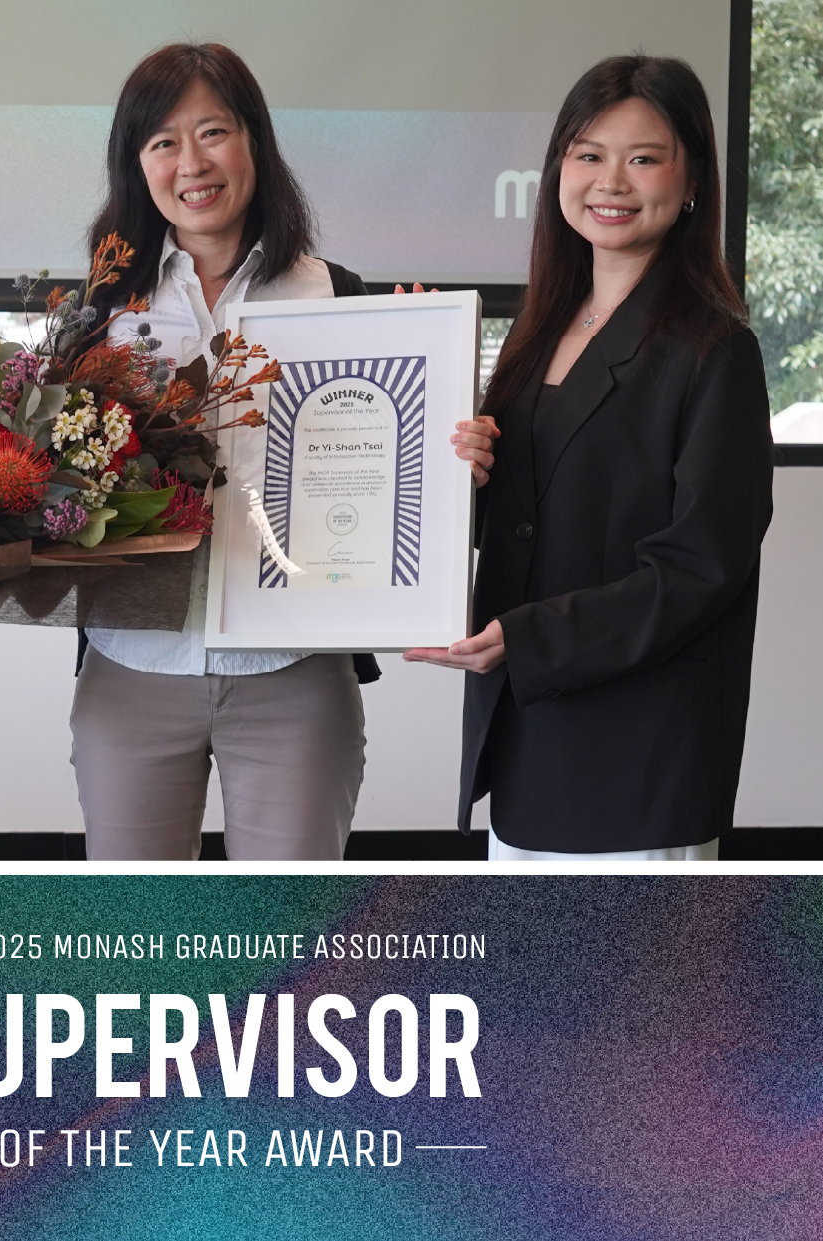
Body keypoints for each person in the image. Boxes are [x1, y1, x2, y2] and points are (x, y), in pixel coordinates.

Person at [405, 55, 774, 859]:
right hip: (524, 736)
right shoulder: (536, 333)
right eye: (588, 154)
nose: (610, 182)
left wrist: (529, 638)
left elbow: (701, 567)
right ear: (557, 170)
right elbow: (526, 517)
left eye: (642, 158)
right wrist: (460, 472)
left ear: (692, 182)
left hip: (636, 754)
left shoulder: (715, 350)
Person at [70, 44, 379, 861]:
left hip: (294, 668)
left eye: (212, 132)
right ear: (136, 164)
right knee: (134, 931)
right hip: (132, 665)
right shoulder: (101, 309)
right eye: (162, 142)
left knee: (283, 927)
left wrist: (450, 438)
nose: (191, 163)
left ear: (254, 142)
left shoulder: (337, 296)